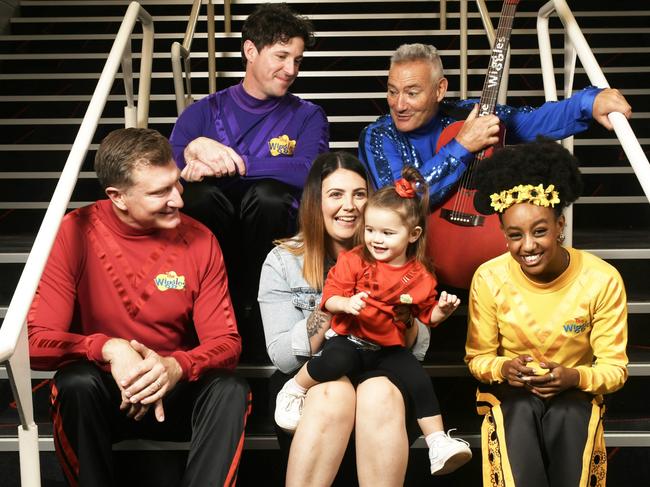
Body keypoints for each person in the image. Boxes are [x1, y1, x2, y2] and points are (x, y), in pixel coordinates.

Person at [27, 128, 250, 487]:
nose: (178, 199)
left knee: (230, 390)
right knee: (75, 383)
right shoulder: (72, 233)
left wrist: (177, 366)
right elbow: (34, 341)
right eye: (159, 192)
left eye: (176, 183)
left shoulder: (200, 239)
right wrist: (108, 348)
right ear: (117, 197)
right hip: (105, 393)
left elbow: (227, 342)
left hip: (172, 387)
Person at [273, 166, 472, 476]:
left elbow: (423, 326)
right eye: (336, 195)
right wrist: (344, 305)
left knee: (412, 381)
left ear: (412, 234)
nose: (349, 206)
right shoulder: (345, 260)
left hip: (386, 351)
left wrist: (437, 313)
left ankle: (438, 441)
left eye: (359, 195)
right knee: (332, 381)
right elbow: (287, 351)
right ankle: (294, 390)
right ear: (315, 202)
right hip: (346, 345)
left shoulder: (417, 272)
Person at [464, 139, 628, 487]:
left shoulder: (601, 279)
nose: (528, 246)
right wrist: (504, 367)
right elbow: (478, 359)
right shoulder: (489, 277)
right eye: (515, 235)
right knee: (519, 411)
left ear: (560, 226)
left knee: (569, 414)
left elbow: (614, 369)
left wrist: (573, 377)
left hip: (575, 391)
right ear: (503, 235)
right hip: (512, 394)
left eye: (539, 231)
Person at [170, 3, 329, 360]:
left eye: (298, 61)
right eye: (282, 56)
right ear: (250, 51)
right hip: (215, 245)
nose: (291, 70)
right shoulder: (202, 112)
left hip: (274, 238)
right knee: (197, 196)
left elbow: (311, 170)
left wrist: (239, 163)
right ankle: (212, 307)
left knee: (268, 196)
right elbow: (168, 166)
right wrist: (192, 150)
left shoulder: (307, 115)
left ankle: (262, 312)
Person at [359, 43, 632, 207]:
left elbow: (529, 121)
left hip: (472, 245)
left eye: (412, 92)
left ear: (439, 90)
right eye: (392, 91)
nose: (399, 104)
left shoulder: (466, 113)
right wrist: (462, 146)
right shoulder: (378, 135)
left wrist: (588, 101)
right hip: (409, 262)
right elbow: (398, 202)